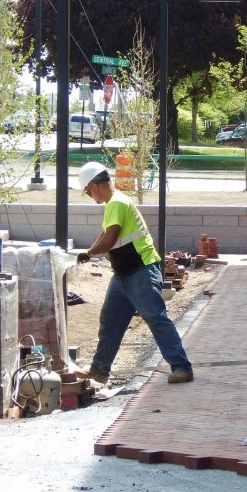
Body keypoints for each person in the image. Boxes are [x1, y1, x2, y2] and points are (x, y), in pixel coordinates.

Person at [75, 162, 193, 385]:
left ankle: (182, 368)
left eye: (88, 190)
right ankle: (99, 370)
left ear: (95, 185)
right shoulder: (113, 204)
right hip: (123, 275)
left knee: (156, 318)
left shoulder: (117, 203)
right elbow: (104, 234)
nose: (90, 195)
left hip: (140, 271)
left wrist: (89, 254)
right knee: (110, 321)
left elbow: (109, 240)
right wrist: (88, 252)